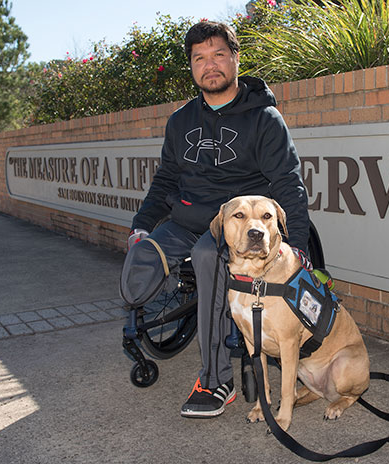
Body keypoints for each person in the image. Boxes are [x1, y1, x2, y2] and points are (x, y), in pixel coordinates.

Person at [127, 21, 309, 418]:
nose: (210, 65)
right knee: (144, 251)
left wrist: (300, 251)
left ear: (235, 58)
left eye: (219, 55)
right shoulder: (180, 121)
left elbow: (288, 184)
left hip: (235, 224)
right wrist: (141, 225)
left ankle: (216, 379)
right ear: (191, 67)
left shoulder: (264, 120)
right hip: (186, 216)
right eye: (200, 58)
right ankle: (142, 299)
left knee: (208, 256)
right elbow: (165, 181)